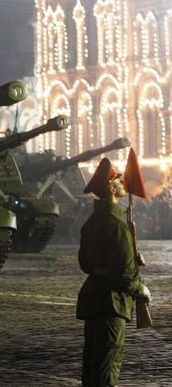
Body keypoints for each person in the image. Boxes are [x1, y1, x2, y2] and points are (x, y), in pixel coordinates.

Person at [77, 157, 151, 386]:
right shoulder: (116, 223)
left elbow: (85, 263)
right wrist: (141, 290)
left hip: (95, 301)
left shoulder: (93, 221)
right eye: (118, 178)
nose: (122, 181)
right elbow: (125, 272)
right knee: (107, 368)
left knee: (93, 365)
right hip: (112, 304)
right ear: (110, 187)